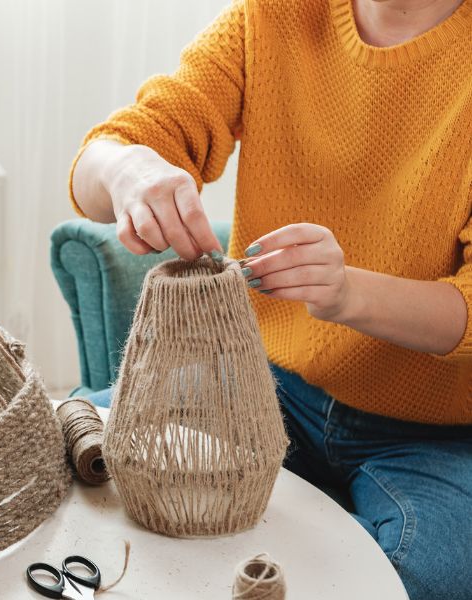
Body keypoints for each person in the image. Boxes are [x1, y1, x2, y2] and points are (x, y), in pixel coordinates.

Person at [69, 0, 472, 597]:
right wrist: (128, 169)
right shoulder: (274, 15)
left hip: (431, 434)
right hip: (259, 382)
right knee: (72, 447)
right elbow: (101, 165)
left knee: (426, 574)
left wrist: (348, 292)